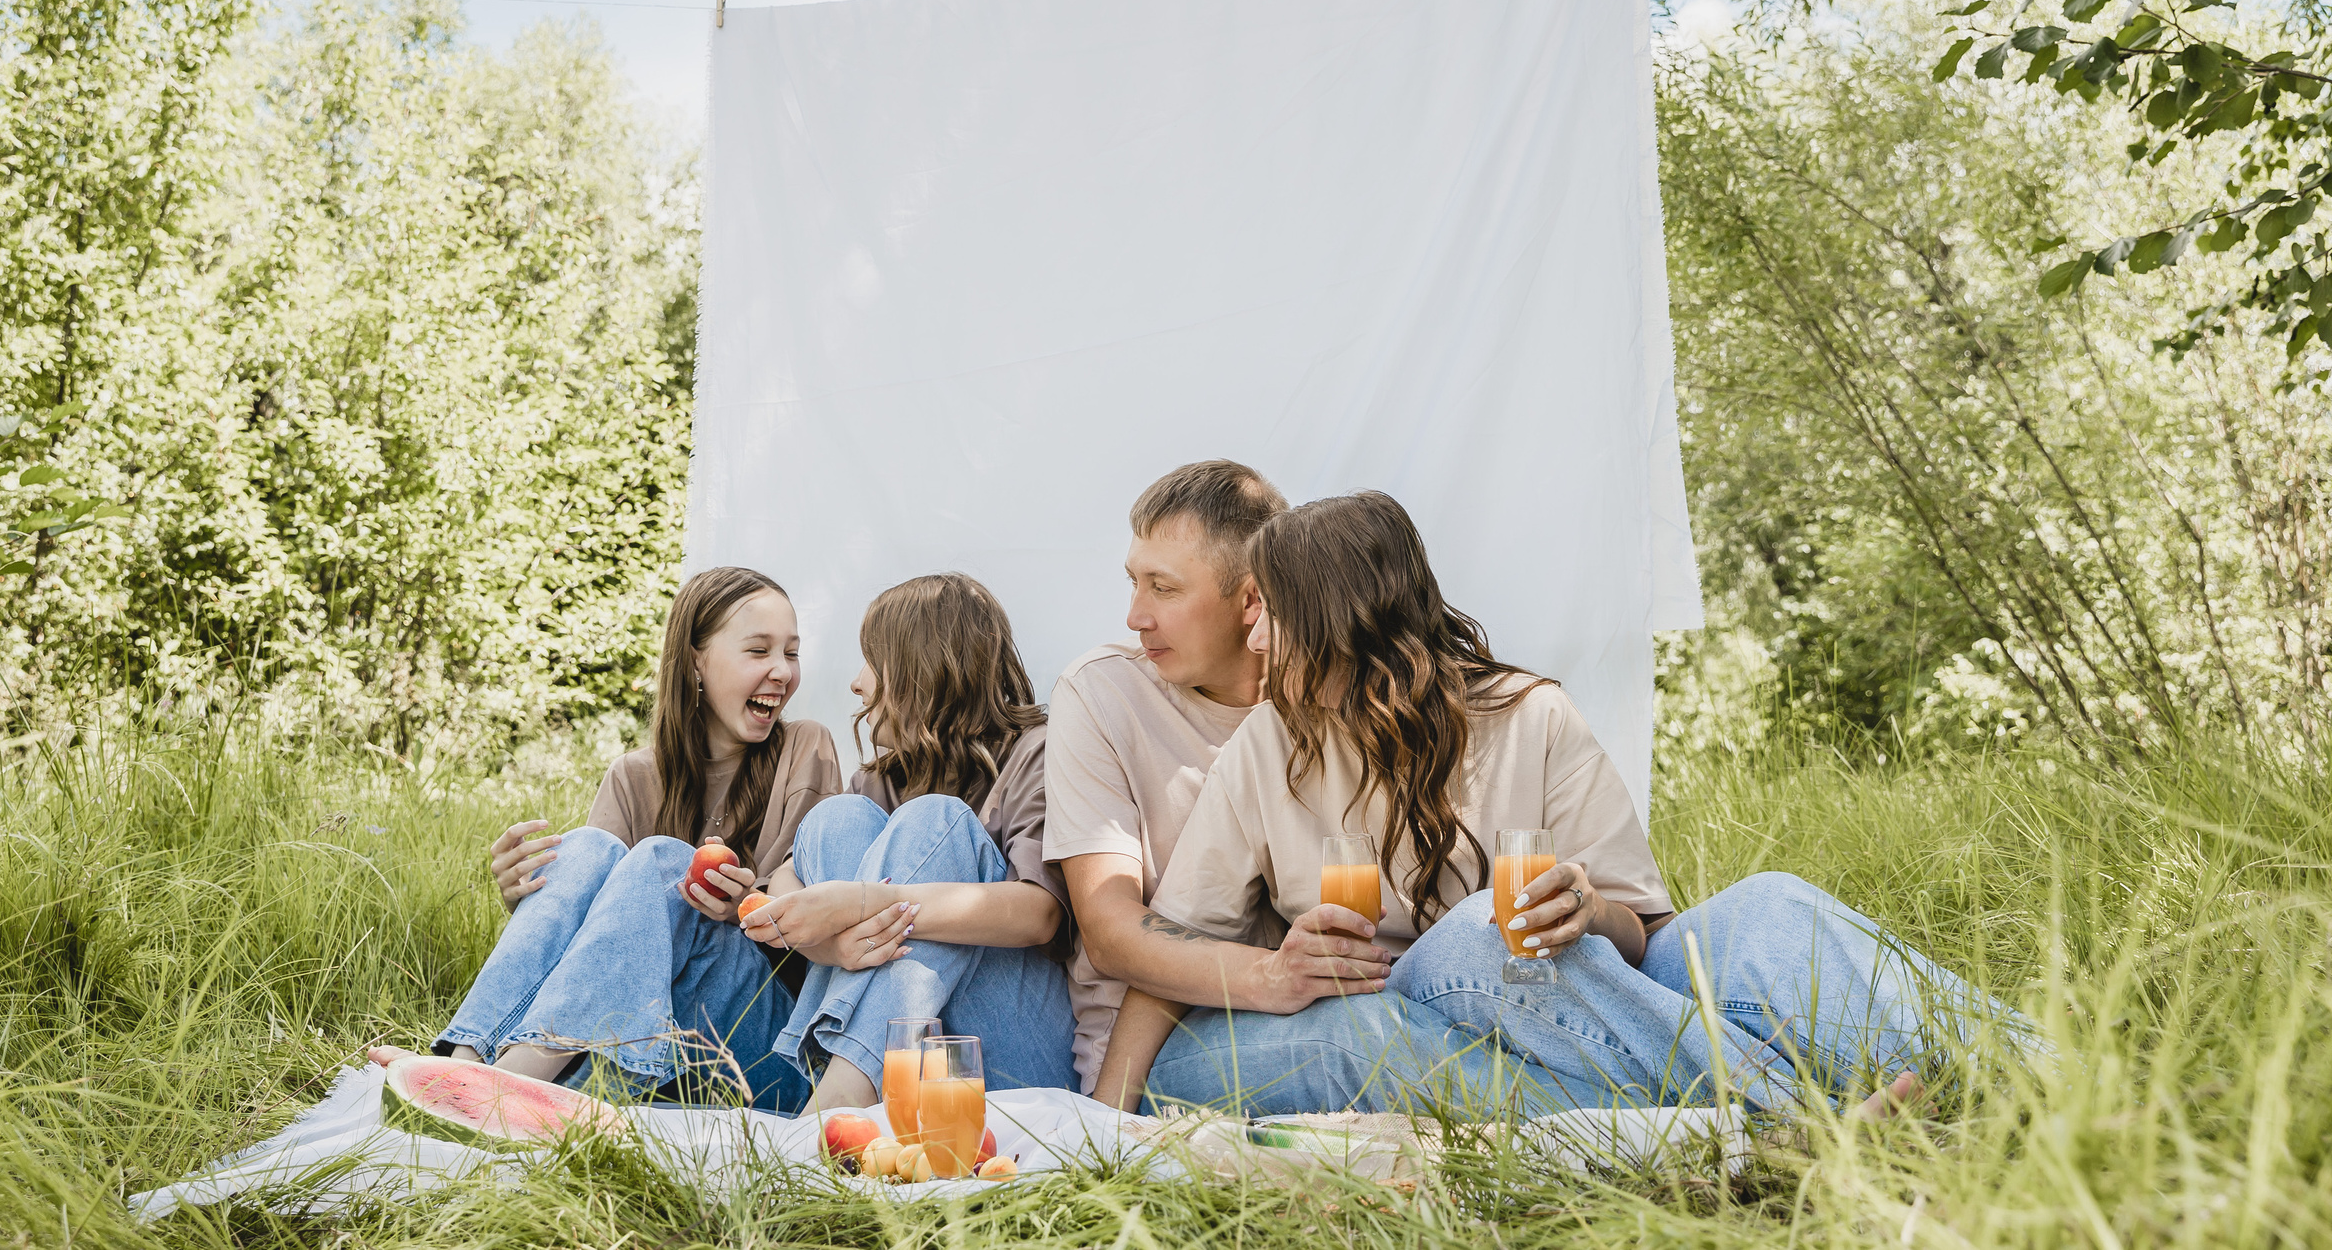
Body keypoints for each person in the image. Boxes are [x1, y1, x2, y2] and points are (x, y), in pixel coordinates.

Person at [1103, 490, 1985, 1119]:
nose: (1254, 633)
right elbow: (1174, 943)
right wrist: (1106, 1113)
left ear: (1338, 618)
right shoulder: (1270, 742)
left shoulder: (1531, 716)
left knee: (1765, 905)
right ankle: (1793, 1122)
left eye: (1271, 611)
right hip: (1375, 1016)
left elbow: (1648, 941)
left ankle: (2033, 1078)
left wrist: (1592, 909)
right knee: (1440, 969)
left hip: (1550, 1015)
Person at [1046, 460, 1463, 1115]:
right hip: (1164, 1042)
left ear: (1252, 600)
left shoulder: (1343, 707)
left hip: (1339, 1015)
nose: (1135, 616)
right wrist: (1273, 975)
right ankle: (1633, 1119)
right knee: (1354, 1036)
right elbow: (1110, 928)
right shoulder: (1102, 694)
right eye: (1134, 582)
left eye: (1163, 588)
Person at [429, 566, 846, 1110]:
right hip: (652, 1050)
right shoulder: (633, 777)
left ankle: (516, 1081)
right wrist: (525, 895)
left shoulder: (805, 749)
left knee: (662, 860)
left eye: (790, 653)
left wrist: (742, 906)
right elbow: (594, 948)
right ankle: (466, 1057)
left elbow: (815, 935)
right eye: (758, 651)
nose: (782, 673)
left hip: (765, 1048)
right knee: (583, 849)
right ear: (696, 660)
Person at [737, 572, 1077, 1106]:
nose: (857, 683)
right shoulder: (880, 779)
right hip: (920, 1063)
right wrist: (831, 940)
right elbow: (787, 877)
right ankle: (864, 1090)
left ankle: (838, 1103)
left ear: (920, 670)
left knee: (936, 821)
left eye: (871, 660)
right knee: (837, 819)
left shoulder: (1038, 752)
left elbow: (1042, 914)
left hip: (1011, 1057)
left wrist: (868, 901)